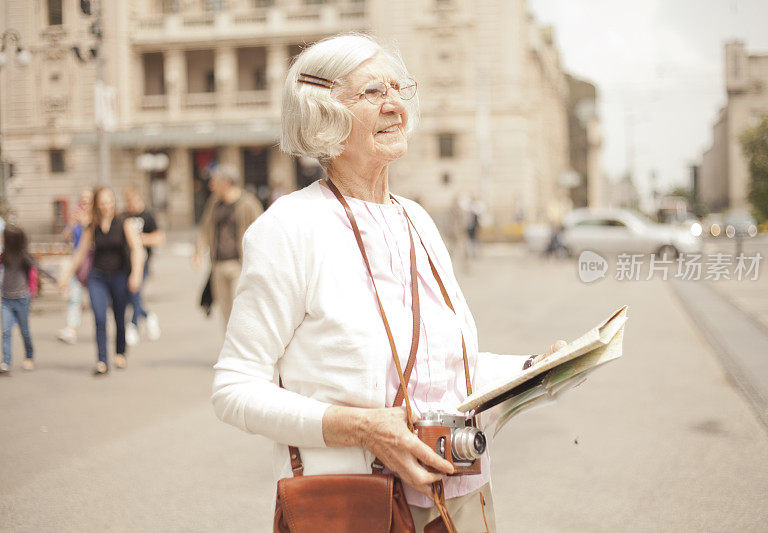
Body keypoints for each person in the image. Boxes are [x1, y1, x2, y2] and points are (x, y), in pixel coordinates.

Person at [210, 34, 566, 531]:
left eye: (400, 89)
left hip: (459, 494)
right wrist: (360, 428)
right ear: (323, 112)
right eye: (373, 92)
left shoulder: (415, 218)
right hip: (357, 503)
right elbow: (234, 387)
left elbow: (441, 366)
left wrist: (533, 370)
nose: (396, 105)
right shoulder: (288, 227)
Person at [59, 187, 145, 375]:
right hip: (97, 277)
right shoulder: (93, 226)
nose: (107, 205)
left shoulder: (124, 223)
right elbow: (80, 252)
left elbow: (137, 250)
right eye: (103, 201)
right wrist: (66, 276)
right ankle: (102, 360)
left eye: (110, 200)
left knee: (119, 317)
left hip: (119, 275)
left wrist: (136, 274)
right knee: (99, 317)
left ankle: (120, 352)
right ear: (97, 204)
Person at [193, 164, 262, 328]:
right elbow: (205, 229)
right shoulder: (215, 204)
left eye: (214, 181)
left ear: (226, 183)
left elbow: (262, 230)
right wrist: (198, 252)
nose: (211, 185)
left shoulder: (248, 203)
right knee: (226, 313)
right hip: (218, 264)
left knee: (239, 311)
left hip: (239, 265)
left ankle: (243, 349)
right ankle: (230, 350)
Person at [123, 185, 165, 345]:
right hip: (126, 263)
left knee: (136, 293)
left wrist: (138, 239)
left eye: (133, 201)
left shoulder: (148, 215)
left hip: (144, 262)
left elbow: (159, 237)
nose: (130, 205)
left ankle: (133, 325)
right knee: (130, 296)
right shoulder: (125, 216)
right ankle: (148, 316)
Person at [56, 189, 93, 345]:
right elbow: (65, 237)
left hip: (94, 264)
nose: (84, 204)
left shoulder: (95, 219)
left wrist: (86, 224)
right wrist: (72, 224)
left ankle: (123, 327)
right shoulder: (76, 219)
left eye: (88, 200)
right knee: (75, 297)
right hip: (78, 262)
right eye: (82, 200)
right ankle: (71, 329)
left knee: (102, 300)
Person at [0, 225, 38, 373]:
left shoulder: (24, 257)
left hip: (22, 298)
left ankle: (29, 356)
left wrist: (57, 280)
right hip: (6, 299)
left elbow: (37, 269)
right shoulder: (3, 257)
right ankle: (6, 362)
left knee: (24, 330)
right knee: (6, 331)